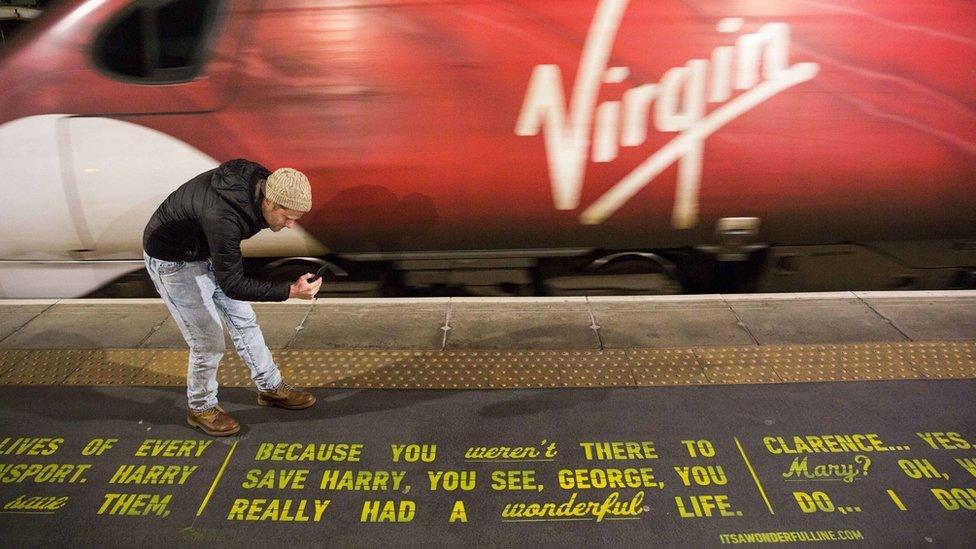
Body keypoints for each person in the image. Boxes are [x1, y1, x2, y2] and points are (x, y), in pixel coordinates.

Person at [142, 158, 322, 437]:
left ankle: (270, 388)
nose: (289, 225)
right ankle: (201, 407)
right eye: (287, 218)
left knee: (245, 321)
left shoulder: (263, 184)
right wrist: (290, 291)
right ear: (270, 203)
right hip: (173, 260)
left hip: (206, 249)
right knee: (208, 342)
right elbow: (234, 285)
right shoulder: (223, 217)